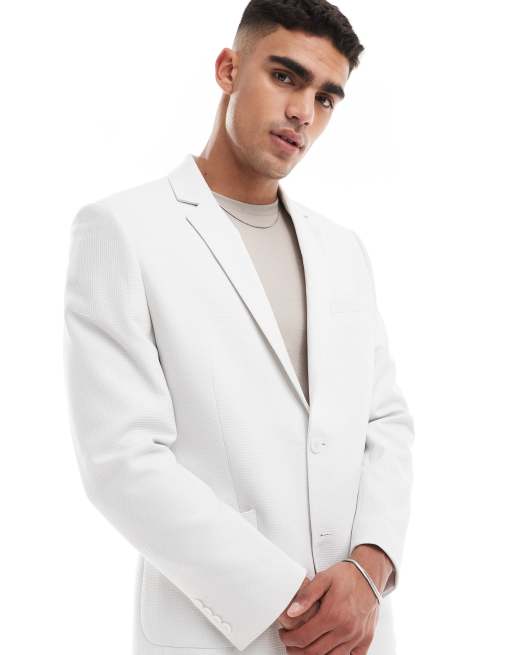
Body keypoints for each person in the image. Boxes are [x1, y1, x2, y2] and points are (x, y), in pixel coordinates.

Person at [63, 1, 415, 654]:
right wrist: (290, 599)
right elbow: (120, 459)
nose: (303, 112)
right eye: (285, 77)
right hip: (216, 634)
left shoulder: (342, 250)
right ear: (228, 69)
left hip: (356, 633)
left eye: (325, 97)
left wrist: (369, 569)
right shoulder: (124, 230)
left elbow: (385, 420)